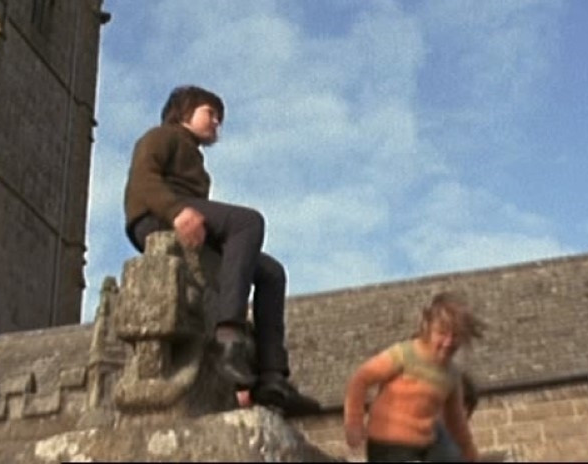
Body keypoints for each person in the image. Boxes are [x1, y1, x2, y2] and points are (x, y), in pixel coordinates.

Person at [123, 85, 320, 416]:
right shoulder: (160, 137)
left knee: (271, 273)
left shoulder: (196, 158)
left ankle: (272, 377)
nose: (216, 122)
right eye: (210, 113)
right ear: (184, 112)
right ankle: (229, 335)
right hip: (155, 217)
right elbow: (142, 181)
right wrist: (176, 211)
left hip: (181, 213)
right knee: (247, 222)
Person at [344, 292, 484, 462]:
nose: (448, 342)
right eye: (442, 333)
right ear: (428, 329)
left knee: (449, 453)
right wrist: (354, 422)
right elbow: (361, 378)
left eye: (455, 336)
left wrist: (471, 455)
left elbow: (457, 424)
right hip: (387, 444)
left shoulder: (452, 375)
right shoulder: (404, 354)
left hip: (424, 445)